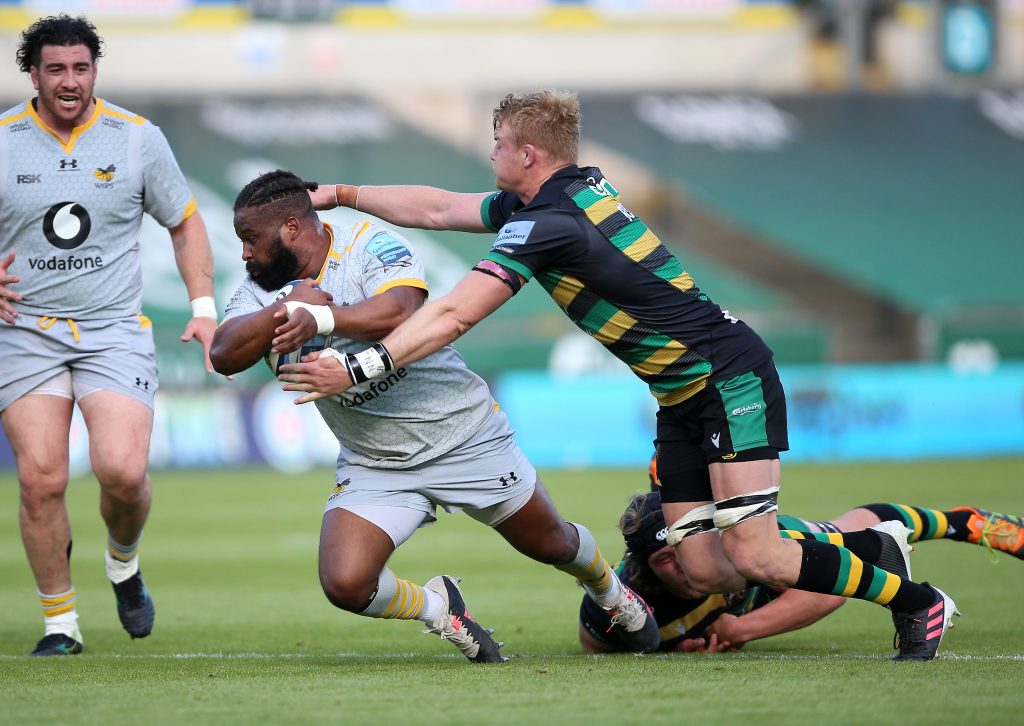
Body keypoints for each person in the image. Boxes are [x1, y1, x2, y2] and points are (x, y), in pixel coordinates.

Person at [295, 89, 958, 661]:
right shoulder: (570, 192)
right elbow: (440, 210)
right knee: (702, 568)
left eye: (497, 144)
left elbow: (454, 314)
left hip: (726, 376)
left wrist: (362, 365)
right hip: (680, 395)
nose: (490, 155)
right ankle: (860, 549)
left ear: (528, 153)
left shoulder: (550, 223)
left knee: (755, 556)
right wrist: (344, 195)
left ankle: (911, 592)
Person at [209, 169, 658, 663]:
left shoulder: (365, 242)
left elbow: (404, 309)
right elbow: (225, 353)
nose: (246, 253)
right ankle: (440, 609)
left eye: (251, 239)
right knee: (345, 582)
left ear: (291, 228)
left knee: (552, 543)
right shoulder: (260, 291)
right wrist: (290, 307)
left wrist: (322, 317)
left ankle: (610, 591)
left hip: (463, 435)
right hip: (375, 461)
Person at [0, 15, 218, 657]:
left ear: (95, 70)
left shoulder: (136, 139)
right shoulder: (4, 140)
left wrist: (202, 306)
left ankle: (123, 561)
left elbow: (184, 222)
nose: (70, 82)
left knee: (121, 472)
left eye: (81, 68)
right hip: (24, 331)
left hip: (114, 329)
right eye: (55, 69)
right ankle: (60, 624)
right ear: (33, 74)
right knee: (40, 479)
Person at [580, 464, 1024, 653]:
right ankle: (923, 532)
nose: (681, 562)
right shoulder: (623, 594)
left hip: (757, 544)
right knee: (845, 534)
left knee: (832, 538)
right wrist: (665, 646)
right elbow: (594, 641)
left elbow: (828, 596)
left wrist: (741, 628)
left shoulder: (732, 540)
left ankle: (960, 524)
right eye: (665, 558)